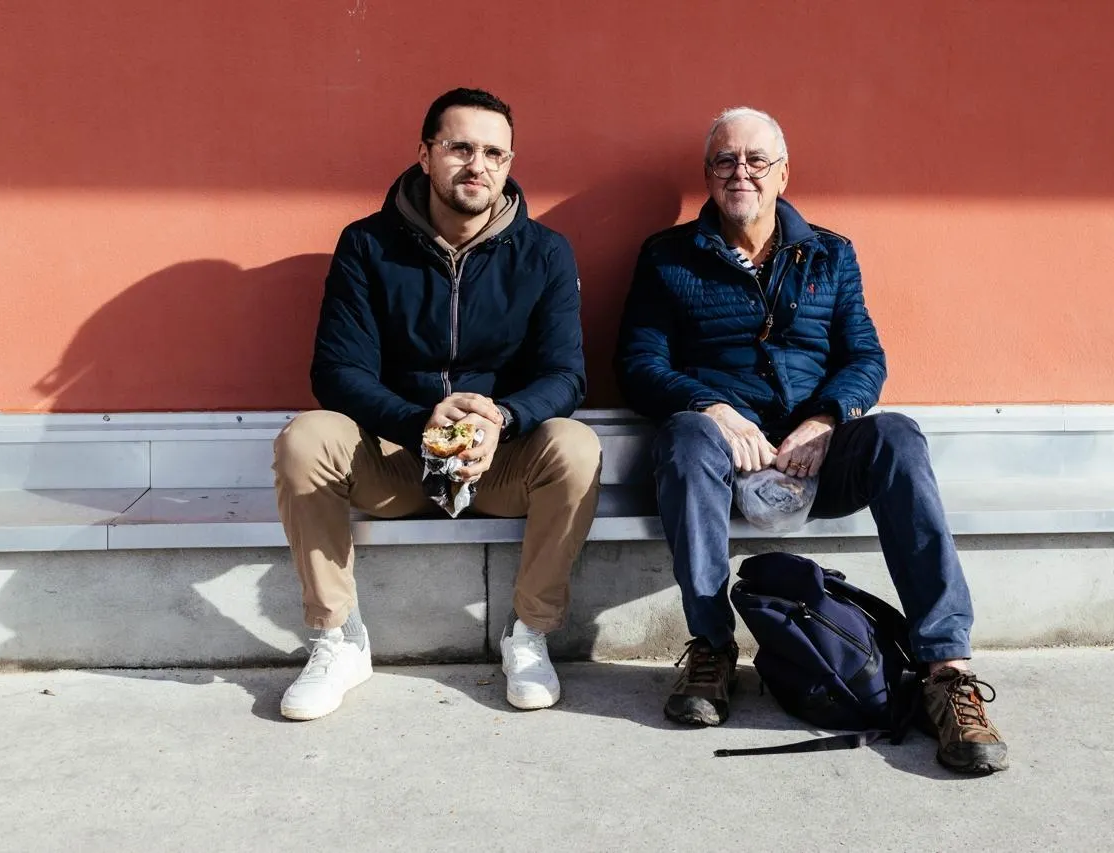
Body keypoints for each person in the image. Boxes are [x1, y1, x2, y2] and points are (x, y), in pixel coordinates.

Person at [614, 107, 1008, 773]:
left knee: (898, 436)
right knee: (684, 434)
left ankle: (946, 671)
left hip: (817, 458)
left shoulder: (831, 252)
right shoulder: (666, 256)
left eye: (756, 160)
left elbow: (866, 358)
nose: (740, 172)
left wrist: (826, 420)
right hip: (722, 457)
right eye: (725, 161)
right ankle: (711, 650)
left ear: (783, 173)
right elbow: (638, 364)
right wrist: (713, 408)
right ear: (707, 175)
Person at [274, 88, 601, 721]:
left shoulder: (545, 252)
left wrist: (502, 418)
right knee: (305, 438)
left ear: (509, 163)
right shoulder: (367, 245)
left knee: (577, 445)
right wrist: (416, 421)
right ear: (425, 155)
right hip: (395, 456)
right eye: (460, 148)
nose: (477, 165)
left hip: (496, 463)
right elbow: (337, 371)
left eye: (494, 153)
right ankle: (338, 639)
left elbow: (566, 375)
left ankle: (529, 634)